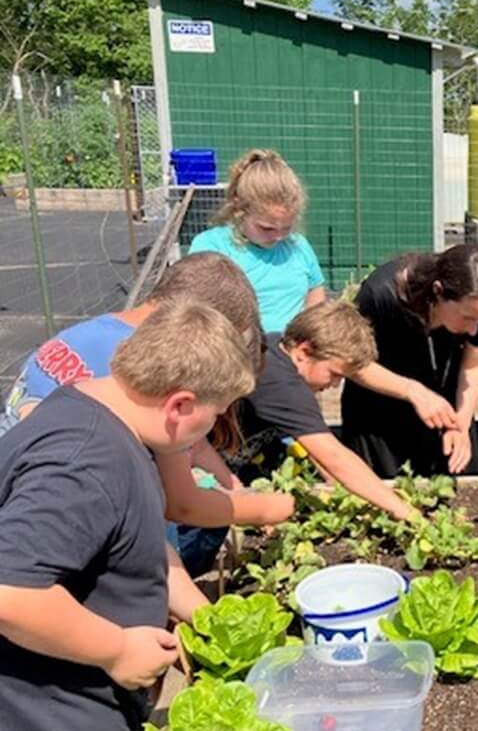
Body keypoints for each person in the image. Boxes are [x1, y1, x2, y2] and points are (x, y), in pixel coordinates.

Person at [0, 301, 258, 731]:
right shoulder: (85, 460)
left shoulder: (100, 413)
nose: (214, 429)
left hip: (70, 730)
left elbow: (122, 535)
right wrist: (117, 648)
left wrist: (191, 604)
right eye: (217, 415)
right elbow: (11, 594)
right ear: (180, 404)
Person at [0, 252, 294, 571]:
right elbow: (181, 503)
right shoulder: (161, 367)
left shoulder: (98, 333)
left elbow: (188, 442)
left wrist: (233, 486)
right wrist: (263, 508)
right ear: (196, 322)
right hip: (56, 537)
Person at [231, 301, 417, 521]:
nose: (336, 384)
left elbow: (316, 449)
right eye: (334, 374)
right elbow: (334, 457)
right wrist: (402, 510)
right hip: (205, 480)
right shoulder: (282, 386)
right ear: (304, 351)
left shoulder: (274, 348)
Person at [341, 244, 478, 477]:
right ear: (438, 291)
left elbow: (474, 364)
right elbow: (349, 362)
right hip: (379, 411)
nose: (473, 328)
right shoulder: (382, 294)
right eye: (467, 317)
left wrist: (461, 424)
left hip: (446, 408)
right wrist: (413, 391)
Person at [189, 148, 325, 333]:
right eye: (266, 228)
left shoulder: (297, 245)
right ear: (239, 207)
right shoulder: (212, 247)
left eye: (286, 227)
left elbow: (315, 293)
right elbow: (199, 311)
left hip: (291, 351)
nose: (278, 236)